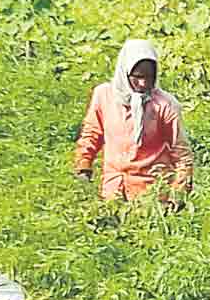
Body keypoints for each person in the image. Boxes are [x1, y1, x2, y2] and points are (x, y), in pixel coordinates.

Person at [74, 39, 193, 202]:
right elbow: (92, 133)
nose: (143, 83)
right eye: (137, 77)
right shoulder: (104, 96)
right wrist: (84, 165)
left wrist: (179, 190)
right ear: (125, 72)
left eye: (149, 77)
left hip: (151, 194)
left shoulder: (164, 105)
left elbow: (180, 151)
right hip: (113, 189)